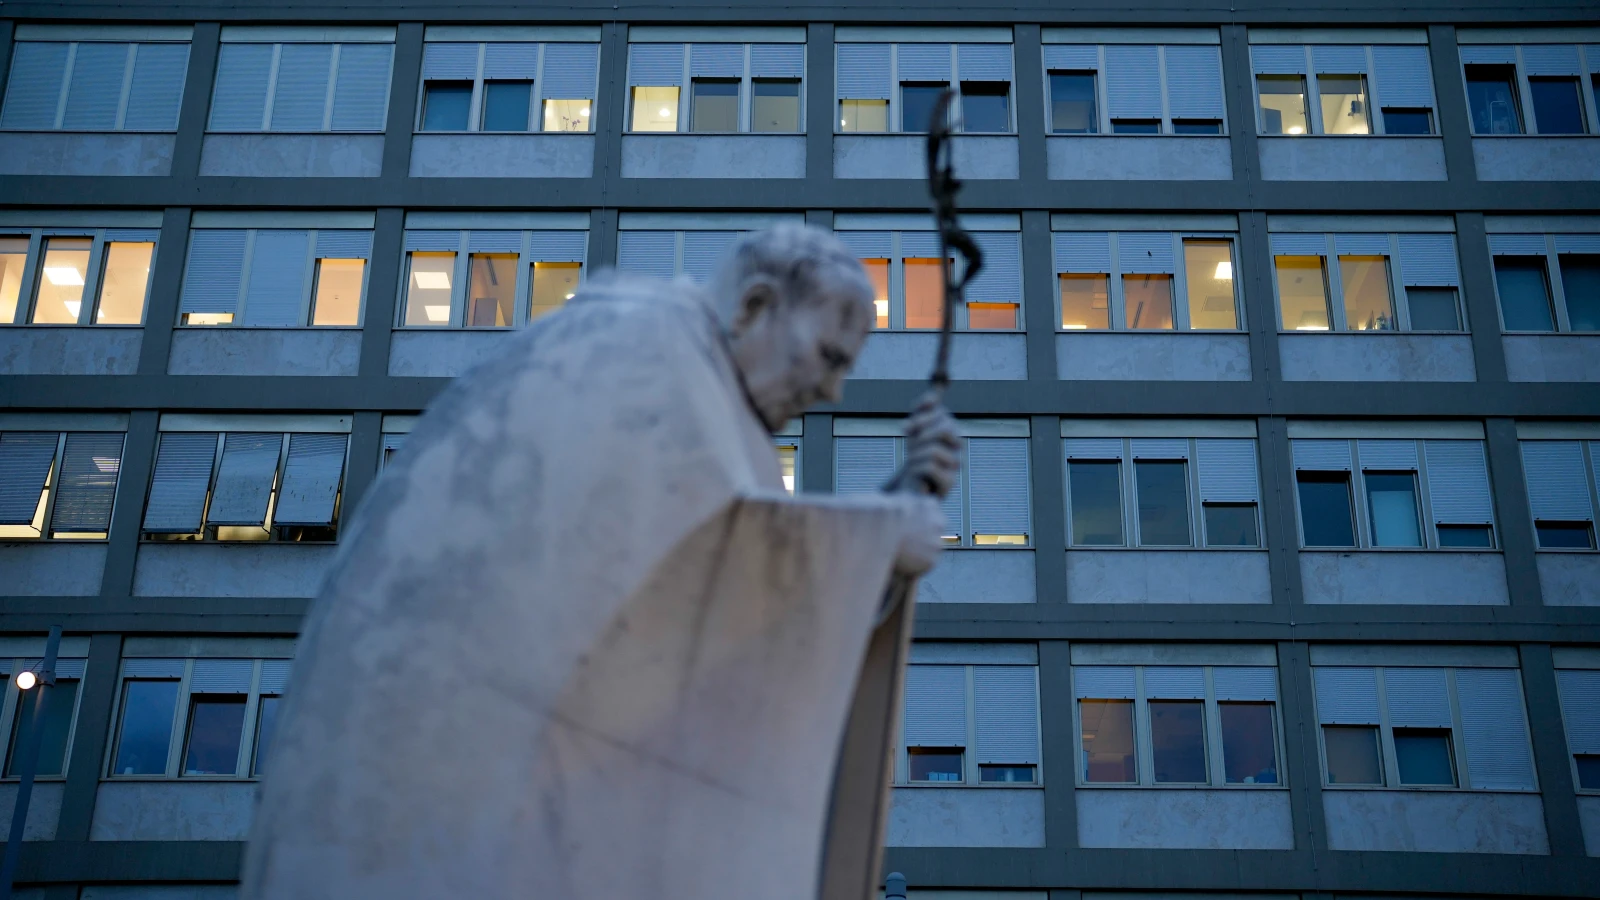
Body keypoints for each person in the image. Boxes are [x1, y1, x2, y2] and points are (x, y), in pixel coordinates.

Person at [242, 224, 961, 900]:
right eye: (831, 358)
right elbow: (707, 558)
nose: (833, 391)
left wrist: (887, 524)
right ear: (755, 306)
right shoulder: (637, 358)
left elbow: (705, 613)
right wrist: (879, 539)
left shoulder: (711, 395)